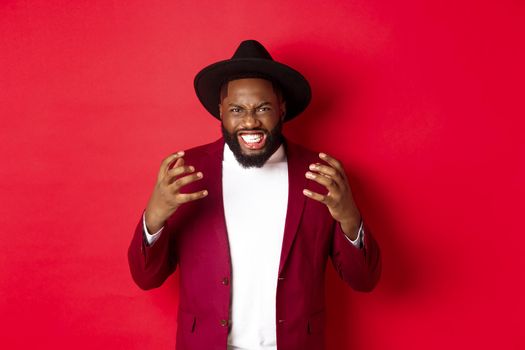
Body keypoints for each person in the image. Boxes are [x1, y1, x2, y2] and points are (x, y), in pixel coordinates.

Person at [128, 39, 381, 350]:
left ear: (281, 110)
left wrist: (349, 217)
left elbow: (364, 280)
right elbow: (146, 278)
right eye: (236, 109)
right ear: (220, 112)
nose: (250, 121)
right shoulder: (185, 172)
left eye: (263, 108)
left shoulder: (321, 174)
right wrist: (155, 217)